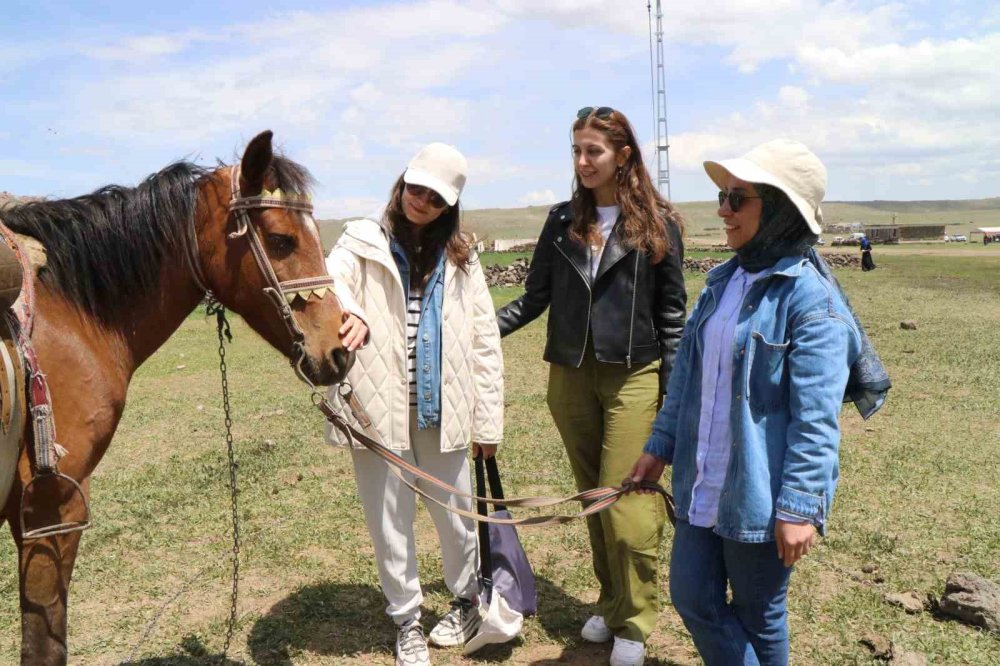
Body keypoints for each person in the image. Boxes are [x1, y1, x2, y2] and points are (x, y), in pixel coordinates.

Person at [629, 139, 890, 666]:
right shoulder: (724, 281)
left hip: (760, 494)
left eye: (736, 199)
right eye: (722, 196)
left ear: (778, 211)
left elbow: (816, 422)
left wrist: (798, 507)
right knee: (692, 596)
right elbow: (686, 381)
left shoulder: (812, 303)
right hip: (704, 478)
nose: (721, 210)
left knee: (759, 614)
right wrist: (659, 446)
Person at [495, 106, 687, 666]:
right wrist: (475, 329)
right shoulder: (561, 221)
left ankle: (634, 620)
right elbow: (534, 300)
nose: (582, 161)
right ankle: (610, 599)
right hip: (569, 379)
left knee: (626, 504)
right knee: (592, 500)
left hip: (634, 376)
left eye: (593, 151)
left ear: (623, 155)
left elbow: (672, 314)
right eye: (576, 150)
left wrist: (672, 395)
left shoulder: (658, 222)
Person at [325, 143, 504, 666]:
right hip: (377, 409)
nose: (420, 200)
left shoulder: (462, 256)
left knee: (456, 515)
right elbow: (330, 284)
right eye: (415, 187)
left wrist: (488, 419)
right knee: (389, 520)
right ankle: (406, 619)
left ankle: (467, 599)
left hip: (444, 406)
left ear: (450, 205)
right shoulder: (360, 239)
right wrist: (351, 309)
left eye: (434, 196)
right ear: (401, 182)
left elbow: (483, 341)